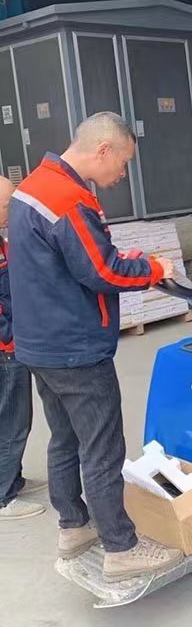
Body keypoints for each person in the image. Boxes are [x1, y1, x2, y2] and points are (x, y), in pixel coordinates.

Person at [8, 112, 184, 582]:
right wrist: (154, 269)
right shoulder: (68, 199)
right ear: (103, 150)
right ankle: (121, 548)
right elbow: (102, 272)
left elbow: (69, 261)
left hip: (39, 345)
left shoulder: (33, 186)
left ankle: (73, 526)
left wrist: (125, 259)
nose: (121, 175)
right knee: (103, 447)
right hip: (76, 349)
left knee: (65, 438)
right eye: (123, 163)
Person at [0, 176, 47, 521]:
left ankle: (11, 478)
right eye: (7, 205)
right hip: (6, 348)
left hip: (13, 343)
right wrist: (10, 337)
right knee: (12, 421)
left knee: (15, 418)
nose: (12, 210)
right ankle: (3, 496)